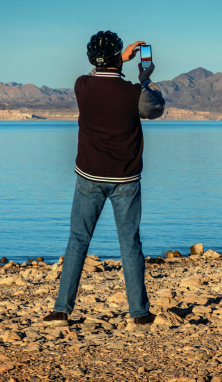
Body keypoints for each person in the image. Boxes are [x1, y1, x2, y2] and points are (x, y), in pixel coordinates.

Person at [43, 31, 165, 327]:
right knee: (130, 244)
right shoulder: (133, 93)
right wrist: (145, 77)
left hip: (88, 178)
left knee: (77, 242)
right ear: (117, 56)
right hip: (125, 180)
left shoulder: (82, 86)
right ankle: (139, 313)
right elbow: (156, 109)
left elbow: (95, 76)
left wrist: (114, 61)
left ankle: (62, 310)